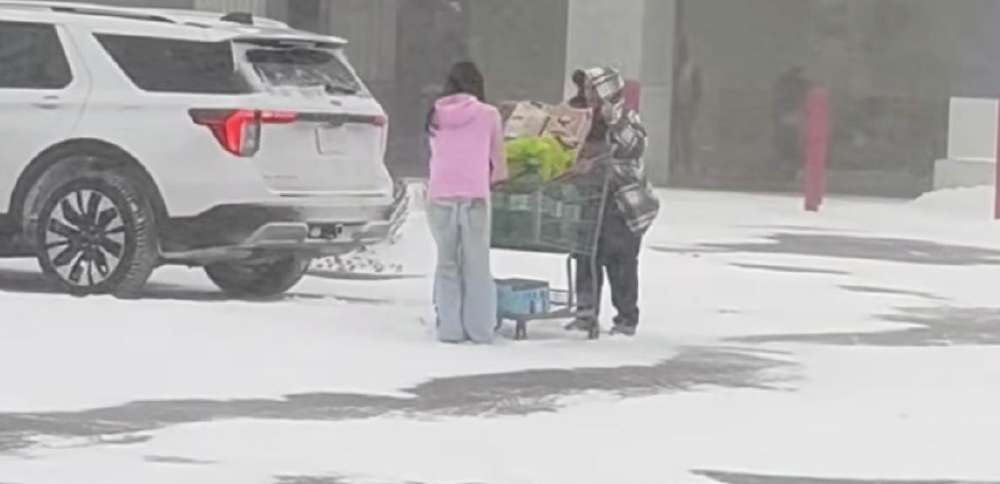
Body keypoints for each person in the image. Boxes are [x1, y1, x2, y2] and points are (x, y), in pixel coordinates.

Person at [567, 67, 660, 336]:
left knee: (620, 259)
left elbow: (633, 147)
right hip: (591, 196)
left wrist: (614, 123)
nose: (587, 93)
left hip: (622, 200)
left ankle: (626, 318)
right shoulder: (581, 116)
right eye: (585, 88)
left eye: (592, 88)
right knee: (586, 253)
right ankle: (586, 313)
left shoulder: (626, 117)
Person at [425, 61, 507, 344]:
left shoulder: (435, 115)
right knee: (477, 265)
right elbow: (499, 164)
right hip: (474, 196)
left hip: (439, 196)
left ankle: (449, 329)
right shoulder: (489, 114)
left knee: (447, 263)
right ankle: (481, 329)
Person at [772, 66, 810, 183]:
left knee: (792, 145)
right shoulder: (788, 88)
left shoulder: (797, 87)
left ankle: (795, 171)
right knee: (789, 145)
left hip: (791, 119)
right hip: (788, 120)